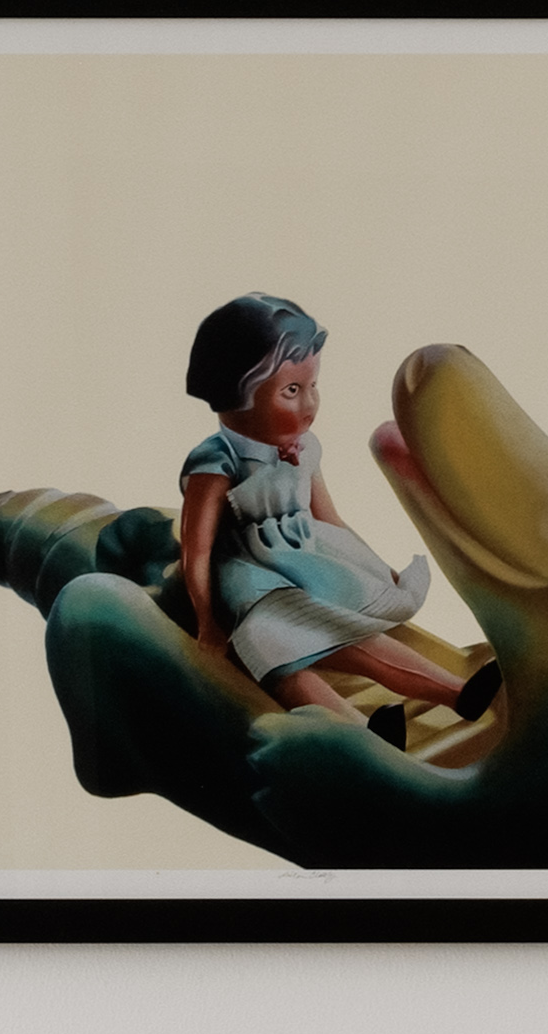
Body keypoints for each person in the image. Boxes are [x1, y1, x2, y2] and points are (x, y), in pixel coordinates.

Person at [169, 292, 476, 722]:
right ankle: (356, 730)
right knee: (275, 647)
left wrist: (375, 568)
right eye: (291, 390)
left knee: (351, 634)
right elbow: (196, 549)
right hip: (250, 585)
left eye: (312, 386)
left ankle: (459, 693)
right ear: (234, 392)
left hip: (305, 564)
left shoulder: (304, 448)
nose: (310, 404)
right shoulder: (217, 461)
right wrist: (207, 623)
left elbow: (328, 519)